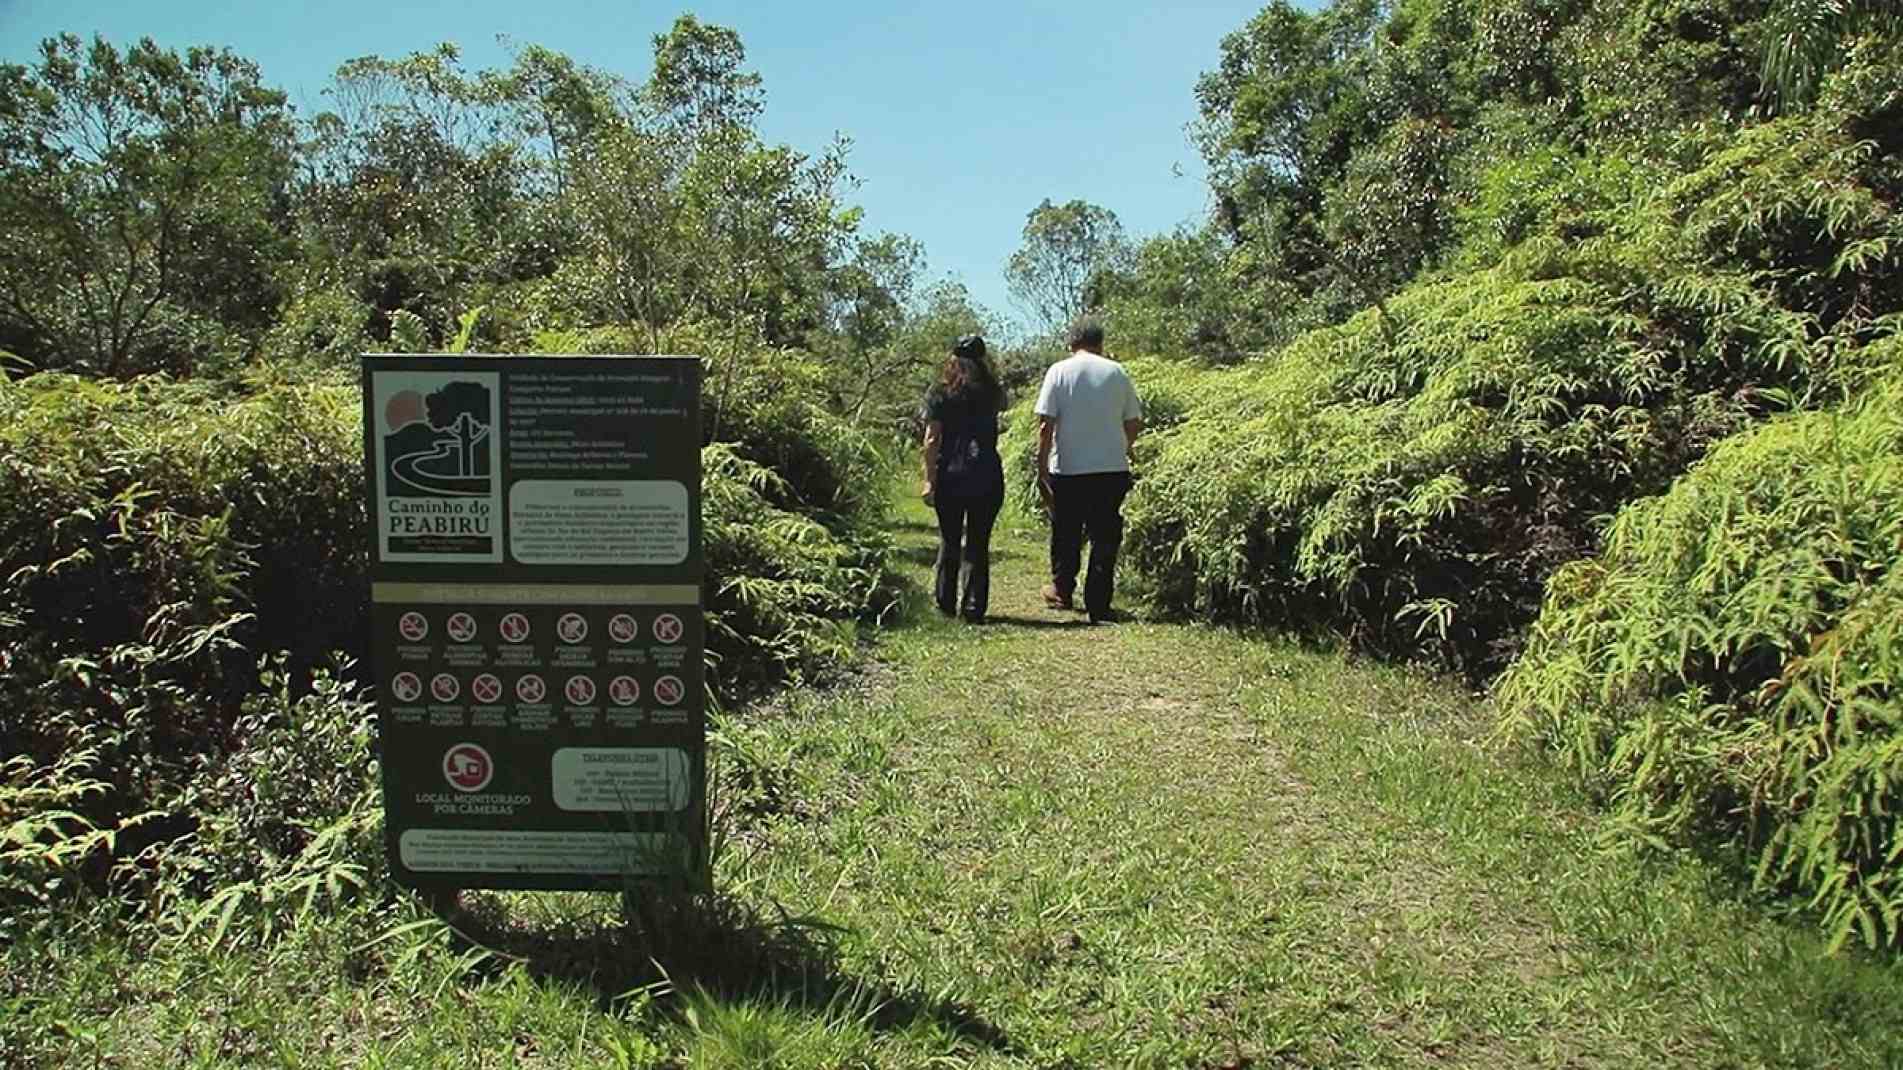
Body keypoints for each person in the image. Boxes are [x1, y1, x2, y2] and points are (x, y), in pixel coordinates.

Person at [1035, 316, 1143, 624]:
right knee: (1105, 535)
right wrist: (1122, 447)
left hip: (1068, 468)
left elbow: (1046, 425)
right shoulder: (1118, 372)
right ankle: (1098, 602)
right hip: (1111, 469)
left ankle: (1062, 589)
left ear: (1072, 343)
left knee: (1066, 531)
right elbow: (1133, 421)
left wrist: (1042, 467)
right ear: (1100, 343)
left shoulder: (1059, 371)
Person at [921, 334, 1007, 623]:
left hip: (951, 474)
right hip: (986, 473)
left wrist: (929, 479)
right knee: (978, 542)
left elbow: (932, 439)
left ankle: (945, 604)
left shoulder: (940, 392)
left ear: (953, 359)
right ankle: (973, 607)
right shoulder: (994, 392)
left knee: (950, 539)